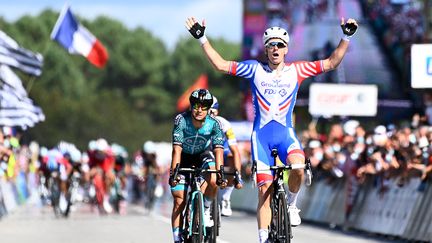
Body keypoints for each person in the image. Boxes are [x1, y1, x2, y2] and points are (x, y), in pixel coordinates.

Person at [186, 16, 358, 243]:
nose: (276, 48)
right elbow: (221, 65)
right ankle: (263, 238)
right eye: (271, 44)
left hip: (286, 135)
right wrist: (202, 38)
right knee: (264, 190)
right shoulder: (254, 69)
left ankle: (292, 205)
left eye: (280, 44)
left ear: (287, 49)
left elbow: (330, 63)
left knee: (297, 167)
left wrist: (346, 37)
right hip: (262, 139)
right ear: (266, 50)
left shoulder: (298, 70)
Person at [168, 88, 226, 243]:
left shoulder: (215, 124)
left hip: (202, 156)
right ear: (191, 106)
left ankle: (206, 209)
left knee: (213, 178)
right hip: (184, 157)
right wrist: (174, 173)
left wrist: (220, 174)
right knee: (179, 200)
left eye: (204, 106)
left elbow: (219, 151)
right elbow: (177, 150)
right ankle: (177, 238)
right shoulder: (181, 120)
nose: (200, 110)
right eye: (196, 105)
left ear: (209, 108)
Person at [209, 96, 243, 216]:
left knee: (230, 155)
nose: (210, 113)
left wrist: (238, 174)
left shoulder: (224, 124)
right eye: (207, 110)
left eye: (212, 110)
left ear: (217, 111)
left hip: (221, 150)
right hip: (207, 151)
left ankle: (226, 198)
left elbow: (235, 150)